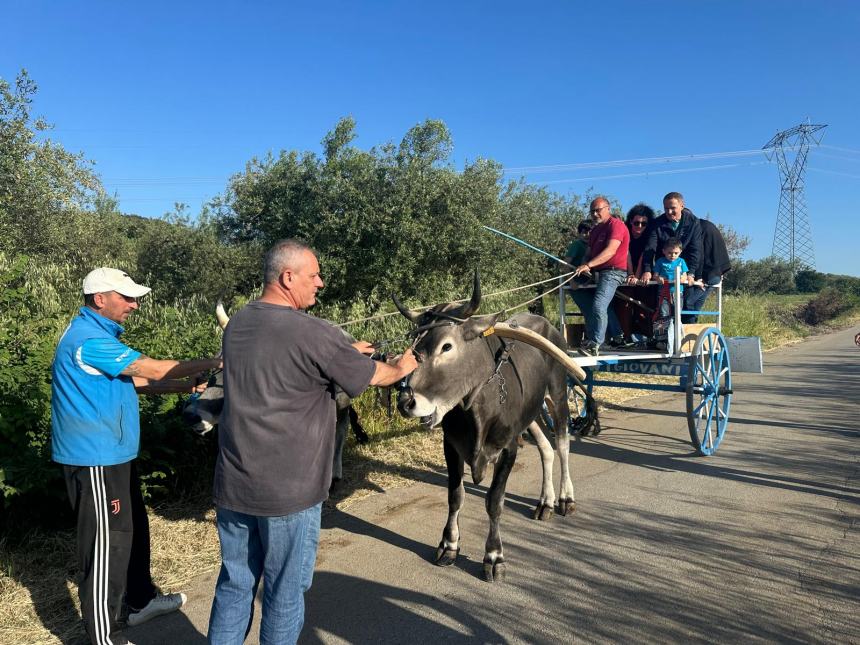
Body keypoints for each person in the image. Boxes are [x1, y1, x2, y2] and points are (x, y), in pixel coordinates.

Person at [207, 239, 418, 645]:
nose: (320, 283)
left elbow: (287, 360)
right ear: (288, 277)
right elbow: (377, 377)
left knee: (234, 587)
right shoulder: (314, 331)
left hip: (233, 486)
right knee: (284, 594)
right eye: (314, 275)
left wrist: (345, 352)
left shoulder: (239, 323)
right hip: (290, 494)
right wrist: (401, 365)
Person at [51, 268, 222, 645]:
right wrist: (214, 362)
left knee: (132, 531)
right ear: (100, 299)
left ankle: (138, 603)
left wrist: (182, 384)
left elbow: (139, 380)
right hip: (94, 460)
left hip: (113, 455)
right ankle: (102, 637)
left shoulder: (98, 336)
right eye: (126, 297)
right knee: (105, 546)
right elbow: (155, 367)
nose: (135, 303)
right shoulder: (88, 339)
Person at [571, 197, 630, 357]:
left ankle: (596, 343)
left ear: (608, 208)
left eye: (598, 210)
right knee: (602, 306)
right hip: (598, 272)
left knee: (598, 306)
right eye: (592, 211)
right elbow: (588, 254)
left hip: (613, 272)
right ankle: (617, 337)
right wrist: (582, 267)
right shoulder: (595, 230)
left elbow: (610, 251)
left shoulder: (616, 225)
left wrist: (588, 265)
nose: (595, 214)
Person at [640, 192, 702, 291]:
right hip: (663, 275)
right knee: (662, 304)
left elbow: (696, 250)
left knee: (687, 303)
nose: (669, 212)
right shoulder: (656, 224)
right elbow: (650, 248)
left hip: (684, 274)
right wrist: (647, 270)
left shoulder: (694, 222)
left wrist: (691, 273)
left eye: (673, 208)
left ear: (682, 206)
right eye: (666, 208)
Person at [683, 218, 731, 323]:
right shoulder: (707, 225)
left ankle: (688, 331)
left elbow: (699, 254)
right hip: (715, 273)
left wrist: (700, 277)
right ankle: (691, 330)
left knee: (688, 302)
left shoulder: (697, 228)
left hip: (709, 275)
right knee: (695, 306)